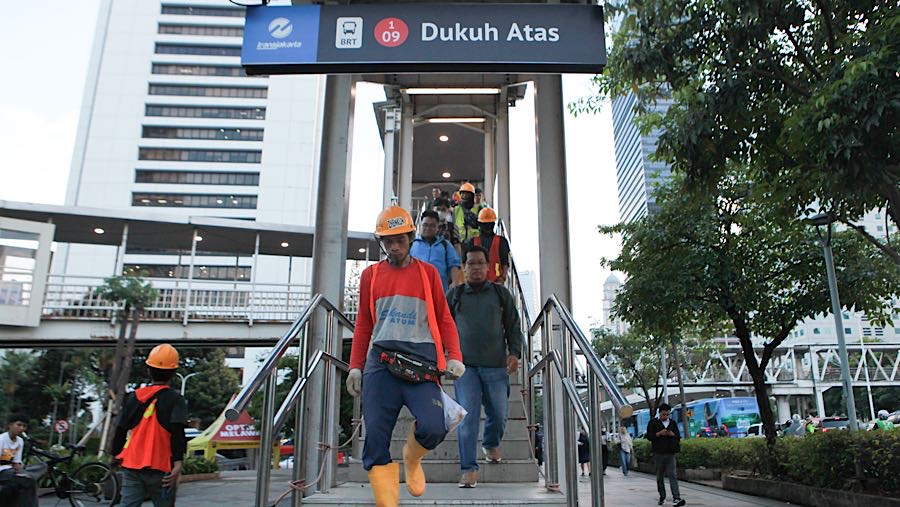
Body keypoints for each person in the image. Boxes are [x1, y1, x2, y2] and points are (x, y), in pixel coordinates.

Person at [346, 205, 465, 506]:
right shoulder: (370, 276)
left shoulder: (428, 274)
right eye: (388, 240)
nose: (394, 246)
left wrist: (454, 355)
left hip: (421, 362)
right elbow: (363, 324)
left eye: (400, 239)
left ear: (411, 237)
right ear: (381, 242)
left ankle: (411, 458)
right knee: (374, 437)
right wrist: (355, 367)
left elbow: (444, 318)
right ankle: (388, 503)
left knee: (435, 425)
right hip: (381, 364)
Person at [447, 245, 523, 488]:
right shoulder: (455, 295)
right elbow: (442, 326)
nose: (476, 267)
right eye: (471, 263)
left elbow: (513, 326)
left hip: (495, 366)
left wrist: (514, 353)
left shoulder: (501, 294)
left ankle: (491, 443)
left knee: (499, 414)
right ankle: (468, 469)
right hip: (464, 368)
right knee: (467, 418)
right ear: (464, 268)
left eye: (481, 263)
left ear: (488, 267)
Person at [111, 343, 188, 507]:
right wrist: (178, 462)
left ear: (148, 370)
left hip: (132, 465)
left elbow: (121, 428)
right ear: (174, 372)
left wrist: (115, 454)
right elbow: (177, 432)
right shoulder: (176, 399)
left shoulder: (133, 397)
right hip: (162, 467)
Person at [411, 210, 461, 292]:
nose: (428, 228)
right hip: (416, 291)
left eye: (432, 226)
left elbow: (454, 264)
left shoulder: (445, 245)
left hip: (439, 291)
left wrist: (455, 282)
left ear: (437, 227)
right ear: (420, 226)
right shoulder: (412, 244)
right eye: (425, 225)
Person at [646, 403, 685, 507]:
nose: (666, 417)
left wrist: (672, 434)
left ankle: (676, 497)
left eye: (667, 415)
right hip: (658, 453)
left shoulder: (673, 423)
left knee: (673, 475)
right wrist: (659, 434)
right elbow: (649, 436)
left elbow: (678, 437)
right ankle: (662, 496)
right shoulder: (653, 422)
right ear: (660, 413)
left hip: (670, 453)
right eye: (664, 415)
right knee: (660, 476)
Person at [0, 413, 38, 507]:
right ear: (10, 425)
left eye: (24, 426)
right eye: (19, 425)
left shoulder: (20, 441)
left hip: (10, 471)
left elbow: (16, 462)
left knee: (32, 475)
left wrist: (22, 472)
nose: (21, 428)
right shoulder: (2, 439)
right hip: (2, 472)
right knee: (29, 480)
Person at [466, 207, 510, 284]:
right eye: (485, 224)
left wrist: (503, 277)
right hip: (476, 283)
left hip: (496, 284)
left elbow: (505, 263)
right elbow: (465, 262)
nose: (487, 226)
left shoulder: (501, 241)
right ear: (480, 224)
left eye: (489, 224)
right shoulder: (472, 242)